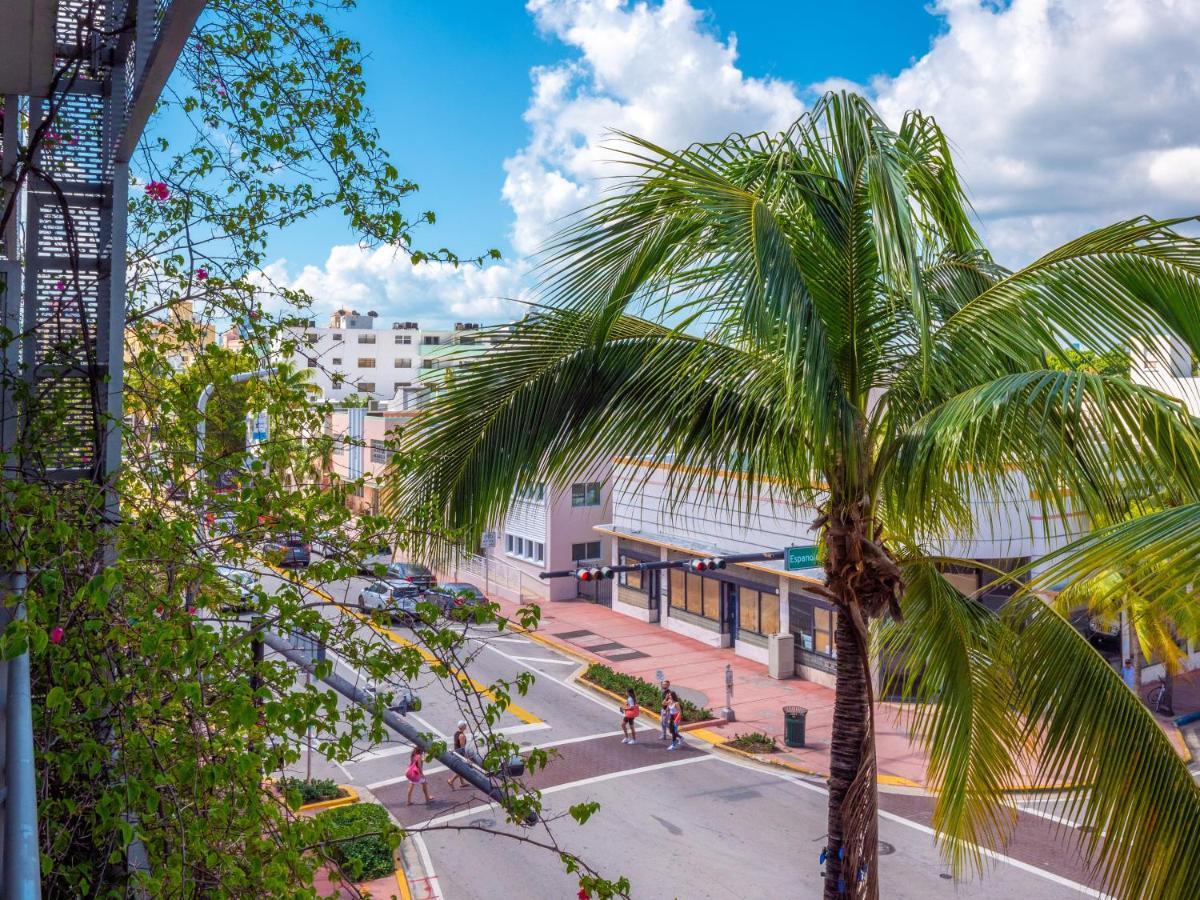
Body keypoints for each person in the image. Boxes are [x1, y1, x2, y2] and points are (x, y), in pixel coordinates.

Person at [447, 720, 469, 789]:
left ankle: (462, 782)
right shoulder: (462, 735)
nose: (466, 726)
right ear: (463, 727)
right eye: (465, 725)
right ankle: (451, 780)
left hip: (456, 752)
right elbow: (462, 747)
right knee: (461, 769)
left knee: (460, 768)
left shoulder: (456, 733)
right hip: (460, 754)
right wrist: (466, 756)